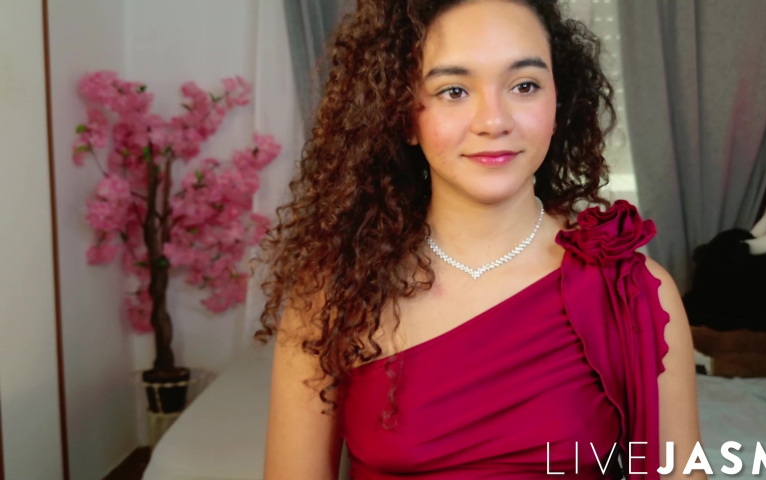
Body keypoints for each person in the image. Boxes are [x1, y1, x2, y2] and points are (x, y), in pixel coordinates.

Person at [257, 1, 705, 478]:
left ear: (559, 101)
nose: (493, 121)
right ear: (403, 115)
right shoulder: (330, 298)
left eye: (524, 86)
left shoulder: (637, 292)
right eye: (453, 91)